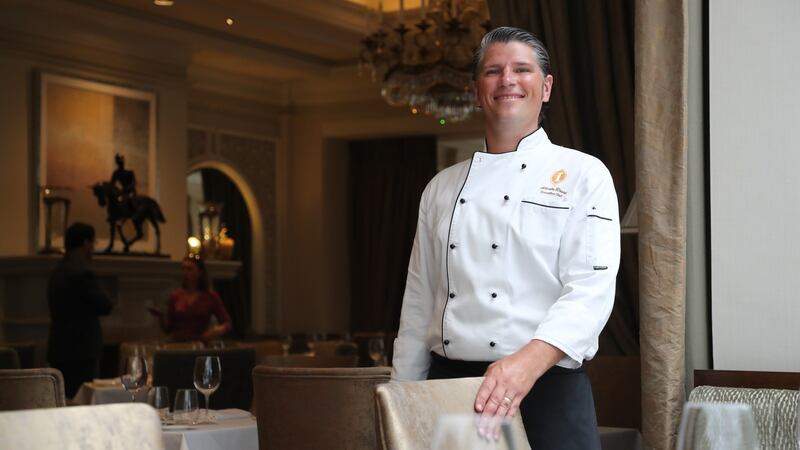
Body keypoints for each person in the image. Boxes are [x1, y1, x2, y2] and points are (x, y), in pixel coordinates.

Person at [391, 26, 621, 449]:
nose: (507, 80)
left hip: (546, 390)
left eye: (521, 69)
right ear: (476, 92)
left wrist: (527, 363)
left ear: (546, 87)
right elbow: (418, 304)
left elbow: (590, 290)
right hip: (450, 390)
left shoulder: (584, 174)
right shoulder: (440, 188)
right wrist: (402, 397)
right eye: (493, 71)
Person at [47, 222, 113, 398]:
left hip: (59, 348)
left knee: (63, 399)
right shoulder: (82, 273)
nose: (93, 248)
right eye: (93, 243)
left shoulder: (57, 271)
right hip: (81, 352)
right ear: (85, 243)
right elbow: (105, 305)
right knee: (81, 401)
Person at [150, 256, 232, 342]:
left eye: (189, 269)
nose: (185, 272)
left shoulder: (210, 296)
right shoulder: (175, 296)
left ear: (200, 272)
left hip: (199, 343)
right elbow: (168, 329)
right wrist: (161, 316)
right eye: (183, 269)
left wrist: (215, 331)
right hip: (177, 343)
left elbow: (227, 323)